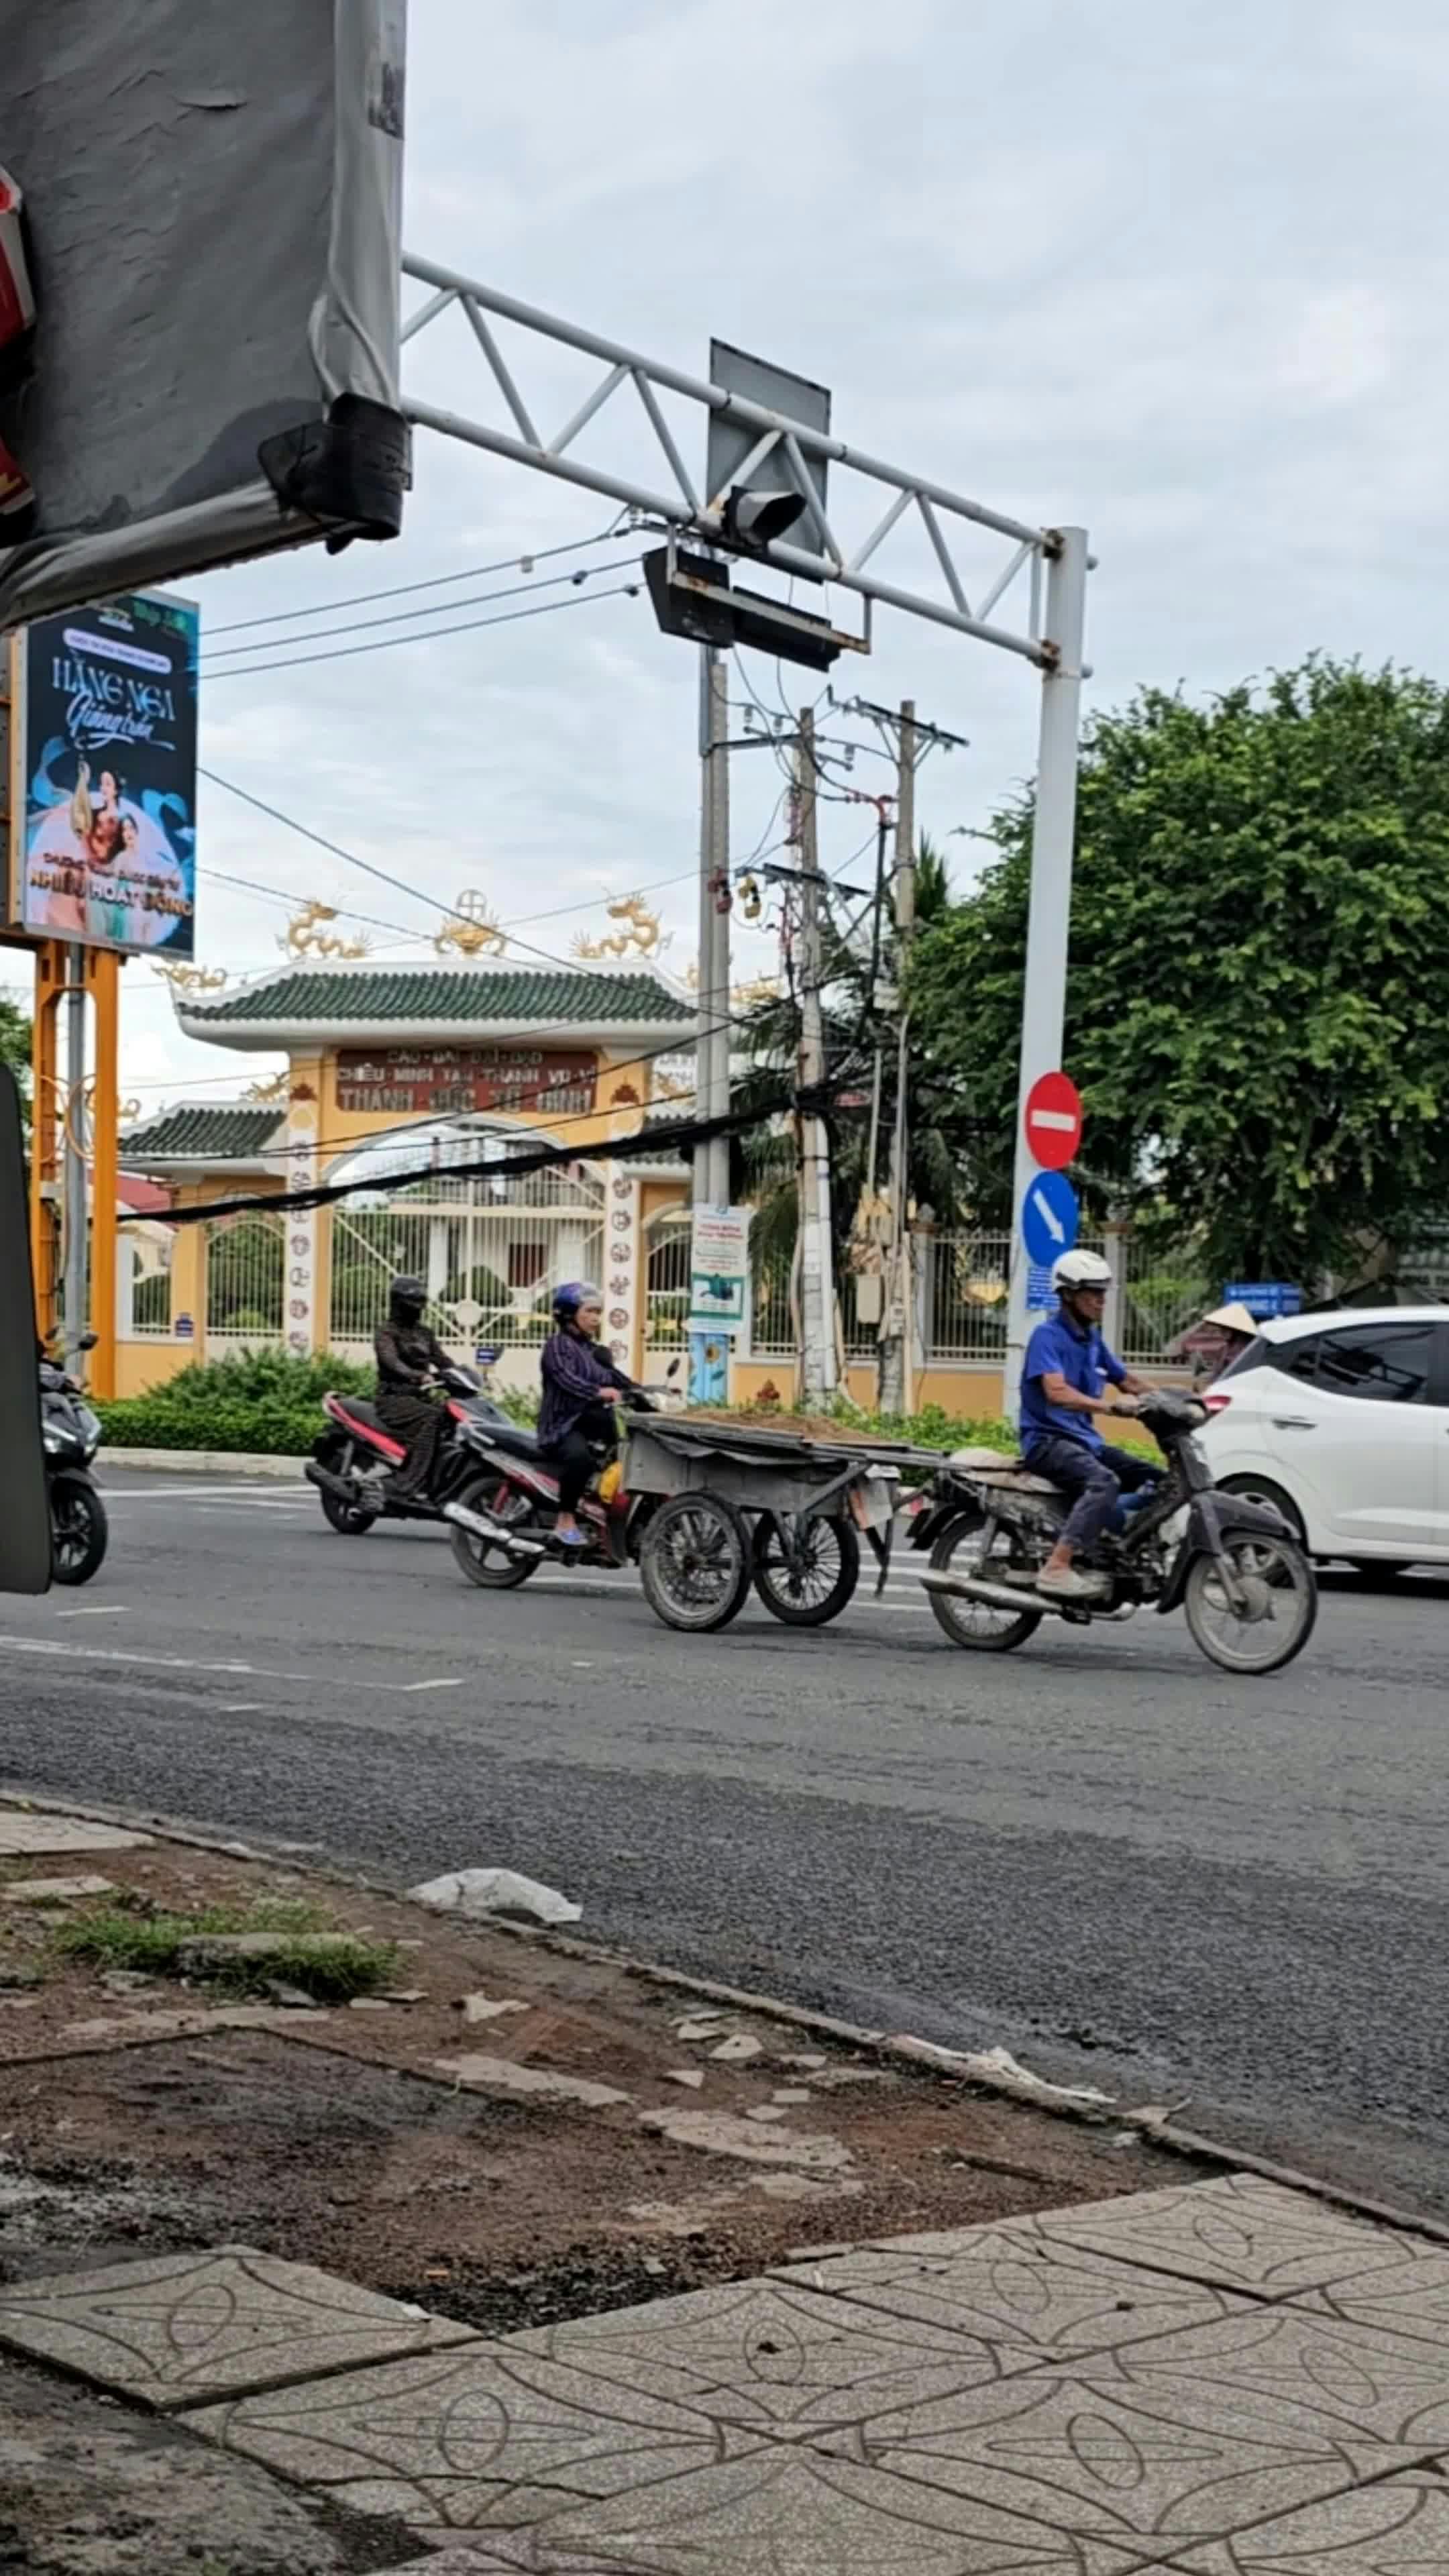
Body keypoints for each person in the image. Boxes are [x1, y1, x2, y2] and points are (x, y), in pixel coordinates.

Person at [1019, 1248, 1161, 1601]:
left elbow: (1128, 1381)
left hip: (1084, 1442)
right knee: (1103, 1481)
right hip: (1047, 1441)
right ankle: (1057, 1566)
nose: (1101, 1300)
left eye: (1103, 1292)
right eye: (1092, 1292)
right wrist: (1110, 1407)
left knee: (1161, 1481)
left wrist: (1176, 1400)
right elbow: (1056, 1392)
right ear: (1068, 1295)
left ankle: (1111, 1536)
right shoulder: (1047, 1337)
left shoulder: (1093, 1340)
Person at [539, 1281, 637, 1548]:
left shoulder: (594, 1352)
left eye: (598, 1312)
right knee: (580, 1459)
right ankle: (565, 1520)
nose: (595, 1318)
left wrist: (645, 1391)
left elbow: (616, 1378)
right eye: (589, 1311)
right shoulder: (557, 1346)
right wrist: (598, 1392)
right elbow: (566, 1380)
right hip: (564, 1425)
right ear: (570, 1314)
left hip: (596, 1425)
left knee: (626, 1458)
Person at [374, 1275, 449, 1501]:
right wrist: (418, 1376)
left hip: (420, 1397)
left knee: (452, 1419)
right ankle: (409, 1481)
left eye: (419, 1305)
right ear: (398, 1304)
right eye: (412, 1305)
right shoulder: (386, 1332)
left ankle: (438, 1479)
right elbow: (392, 1362)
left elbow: (442, 1360)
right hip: (393, 1399)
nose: (417, 1310)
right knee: (432, 1418)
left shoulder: (425, 1333)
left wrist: (464, 1375)